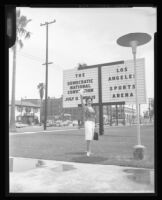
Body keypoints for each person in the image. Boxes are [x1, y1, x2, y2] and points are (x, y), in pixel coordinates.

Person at [79, 89, 96, 157]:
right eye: (88, 101)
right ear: (86, 102)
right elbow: (82, 102)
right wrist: (81, 95)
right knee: (88, 137)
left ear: (91, 101)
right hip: (88, 123)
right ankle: (88, 152)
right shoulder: (85, 107)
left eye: (90, 101)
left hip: (93, 123)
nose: (89, 102)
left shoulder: (92, 108)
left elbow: (94, 116)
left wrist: (95, 123)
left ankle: (89, 150)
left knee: (91, 137)